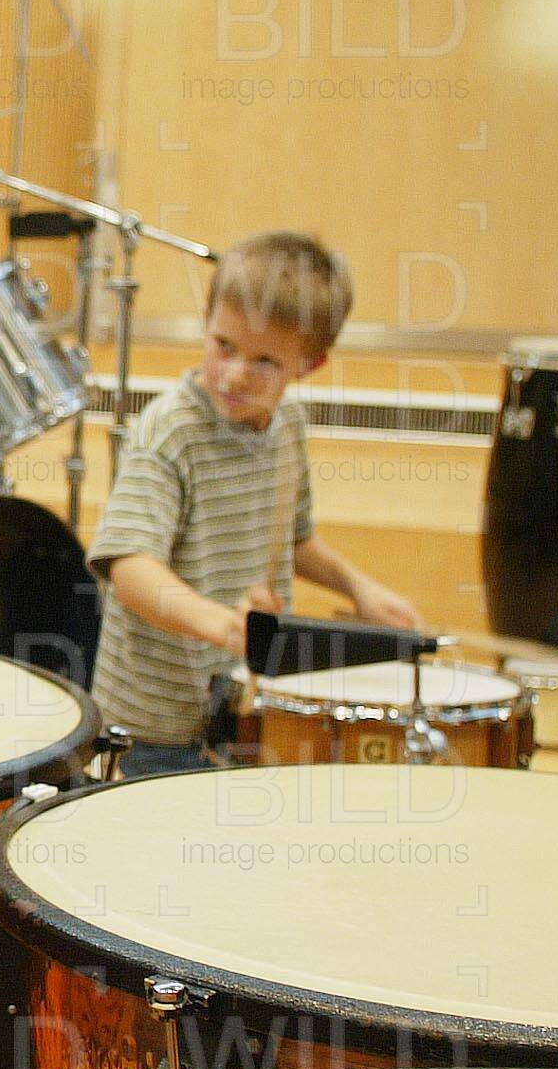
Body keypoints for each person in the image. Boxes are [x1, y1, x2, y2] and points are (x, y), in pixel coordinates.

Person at [86, 230, 423, 778]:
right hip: (154, 730)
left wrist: (358, 587)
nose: (236, 373)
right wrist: (225, 627)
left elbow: (295, 539)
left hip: (241, 710)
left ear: (308, 365)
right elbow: (130, 569)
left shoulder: (286, 424)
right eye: (224, 345)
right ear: (206, 319)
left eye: (265, 360)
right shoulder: (170, 433)